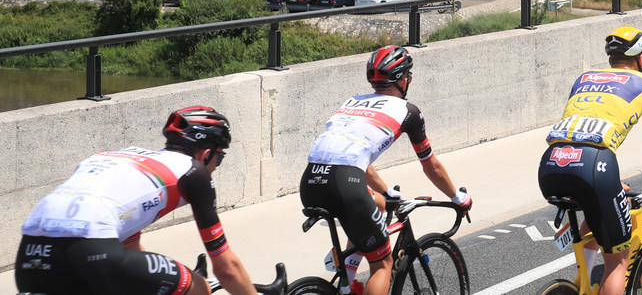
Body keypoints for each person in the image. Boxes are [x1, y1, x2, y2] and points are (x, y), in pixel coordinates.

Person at [17, 106, 266, 295]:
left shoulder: (118, 158)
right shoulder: (194, 171)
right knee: (199, 288)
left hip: (30, 253)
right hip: (92, 250)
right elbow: (227, 269)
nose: (216, 167)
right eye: (219, 158)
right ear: (206, 153)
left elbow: (130, 248)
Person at [538, 27, 642, 295]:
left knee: (597, 212)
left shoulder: (584, 78)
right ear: (641, 59)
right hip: (594, 166)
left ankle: (583, 283)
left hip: (551, 163)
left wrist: (611, 183)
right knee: (618, 261)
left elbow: (580, 132)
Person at [301, 46, 472, 295]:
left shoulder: (352, 102)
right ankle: (349, 281)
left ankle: (346, 281)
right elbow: (431, 166)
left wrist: (387, 192)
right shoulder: (408, 112)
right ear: (403, 79)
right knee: (382, 264)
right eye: (409, 76)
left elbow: (357, 160)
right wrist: (458, 197)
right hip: (345, 185)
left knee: (379, 204)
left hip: (310, 181)